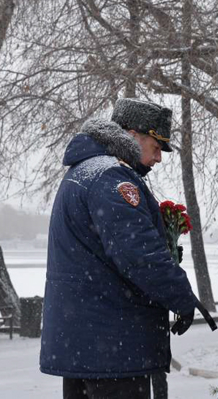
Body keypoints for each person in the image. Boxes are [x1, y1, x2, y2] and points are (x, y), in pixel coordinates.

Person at [40, 99, 206, 399]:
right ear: (131, 135)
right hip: (113, 345)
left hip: (87, 343)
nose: (158, 158)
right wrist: (182, 298)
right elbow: (140, 256)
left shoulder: (85, 172)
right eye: (156, 147)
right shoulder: (112, 178)